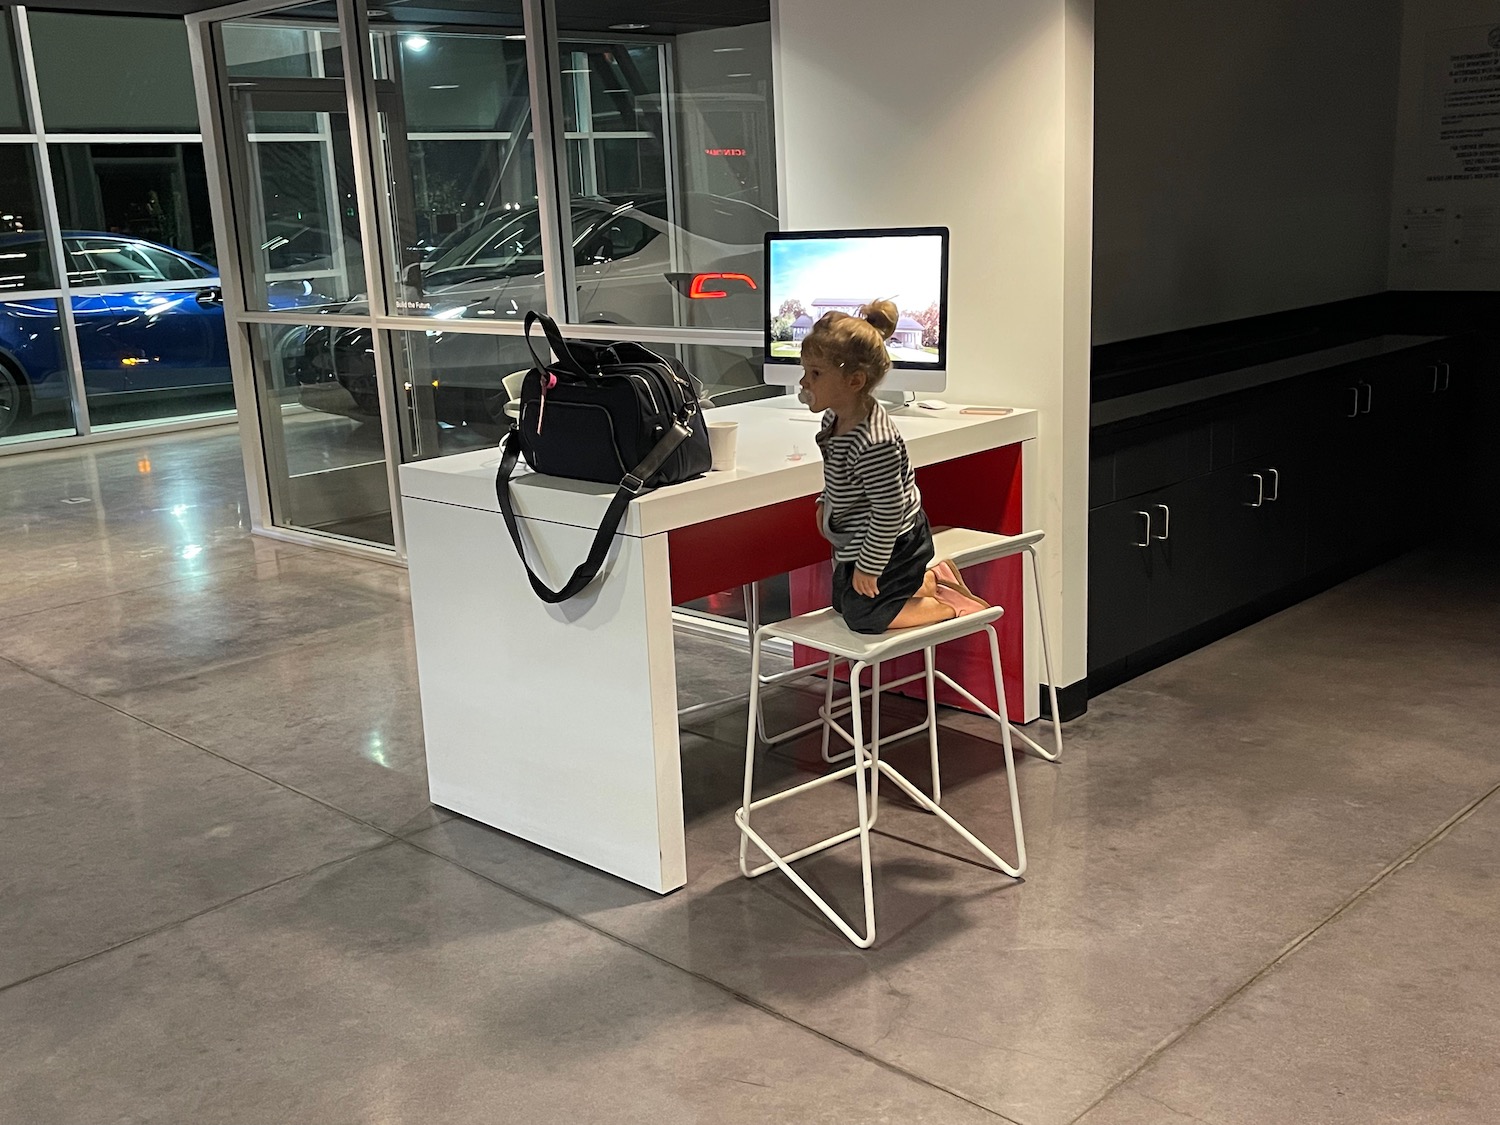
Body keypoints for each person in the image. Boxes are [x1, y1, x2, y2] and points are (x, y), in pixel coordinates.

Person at [801, 300, 989, 634]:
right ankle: (926, 582)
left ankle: (947, 607)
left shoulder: (875, 442)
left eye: (815, 374)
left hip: (898, 542)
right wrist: (824, 502)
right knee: (843, 603)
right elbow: (839, 474)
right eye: (805, 371)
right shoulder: (834, 419)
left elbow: (888, 514)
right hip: (860, 538)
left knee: (864, 618)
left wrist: (870, 567)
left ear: (854, 381)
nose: (804, 383)